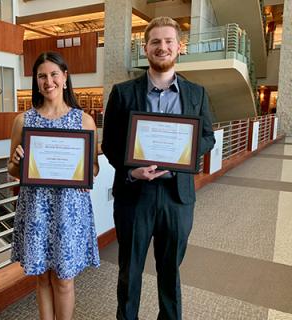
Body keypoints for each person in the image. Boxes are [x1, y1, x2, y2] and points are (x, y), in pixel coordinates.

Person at [102, 17, 216, 320]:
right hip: (134, 195)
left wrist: (184, 159)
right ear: (146, 48)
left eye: (168, 41)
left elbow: (207, 137)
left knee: (170, 272)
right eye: (155, 42)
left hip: (176, 196)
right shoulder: (123, 92)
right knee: (130, 270)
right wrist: (130, 171)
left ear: (180, 47)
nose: (162, 47)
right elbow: (110, 144)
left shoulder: (197, 94)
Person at [8, 51, 100, 320]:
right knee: (42, 278)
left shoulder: (84, 121)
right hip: (36, 209)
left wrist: (87, 176)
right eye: (42, 76)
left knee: (64, 280)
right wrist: (15, 160)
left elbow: (93, 167)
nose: (48, 81)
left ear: (65, 77)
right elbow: (12, 169)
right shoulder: (23, 121)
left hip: (68, 210)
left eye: (53, 74)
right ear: (36, 81)